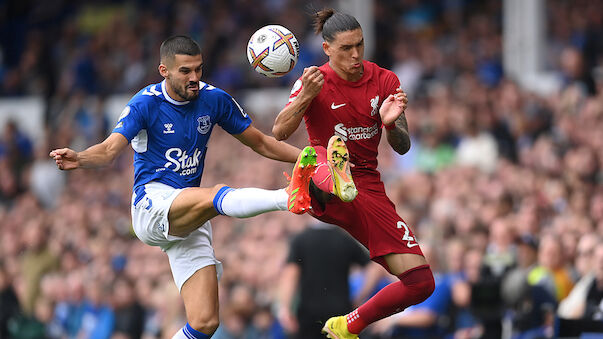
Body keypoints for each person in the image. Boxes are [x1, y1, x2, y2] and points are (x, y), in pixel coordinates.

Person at [50, 35, 317, 339]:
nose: (194, 78)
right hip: (152, 204)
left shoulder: (213, 98)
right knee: (215, 194)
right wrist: (80, 158)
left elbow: (261, 142)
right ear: (164, 70)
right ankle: (287, 198)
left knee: (205, 322)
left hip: (188, 214)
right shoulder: (144, 104)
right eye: (185, 71)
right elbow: (110, 150)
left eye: (199, 70)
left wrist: (312, 160)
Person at [272, 9, 435, 339]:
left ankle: (348, 325)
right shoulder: (313, 80)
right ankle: (321, 178)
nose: (356, 54)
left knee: (421, 283)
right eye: (346, 48)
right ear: (327, 48)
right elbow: (279, 131)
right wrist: (306, 95)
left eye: (360, 45)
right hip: (323, 167)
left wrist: (390, 123)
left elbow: (402, 147)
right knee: (321, 154)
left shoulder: (385, 80)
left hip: (366, 188)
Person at [278, 222, 370, 339]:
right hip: (341, 312)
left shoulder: (301, 239)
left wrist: (284, 308)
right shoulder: (344, 239)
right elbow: (373, 266)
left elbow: (290, 275)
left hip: (309, 314)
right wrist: (361, 295)